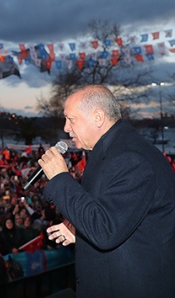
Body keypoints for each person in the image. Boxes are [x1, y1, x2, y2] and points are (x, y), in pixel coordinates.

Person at [39, 85, 175, 297]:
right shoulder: (112, 151)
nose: (66, 128)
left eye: (71, 119)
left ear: (98, 118)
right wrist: (81, 233)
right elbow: (115, 219)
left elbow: (105, 230)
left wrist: (60, 178)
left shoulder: (131, 159)